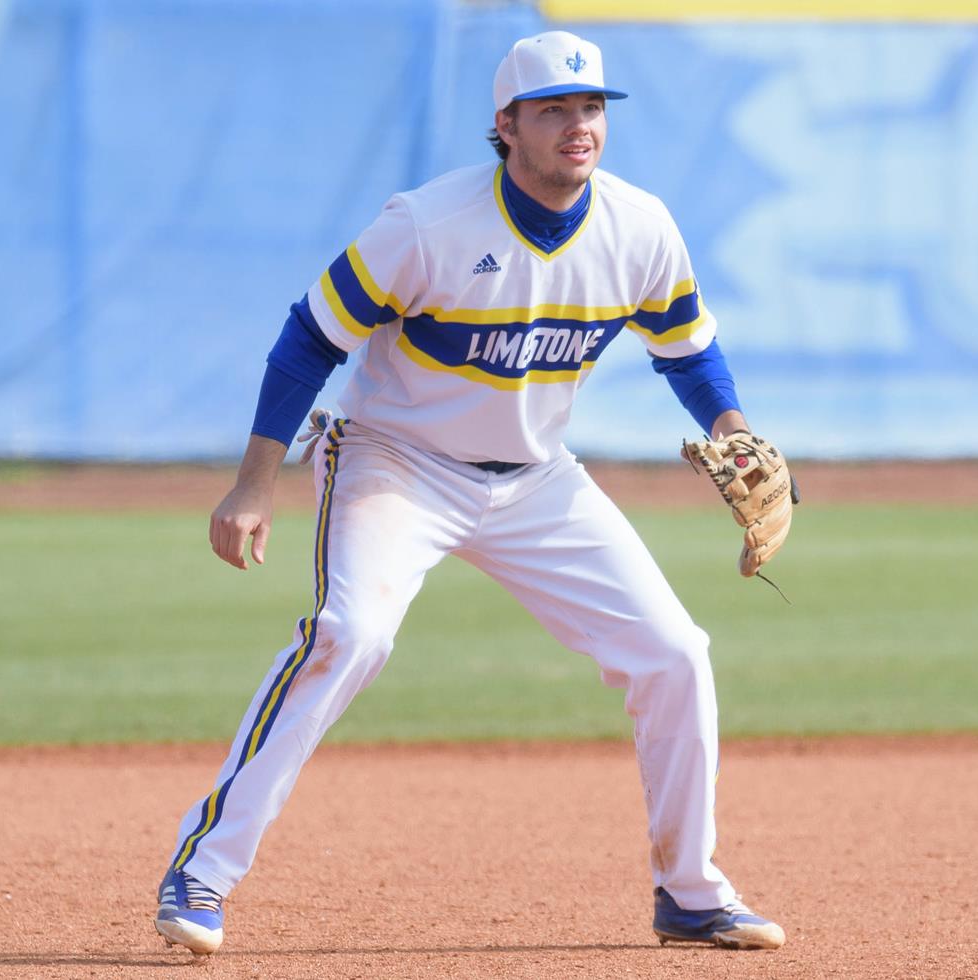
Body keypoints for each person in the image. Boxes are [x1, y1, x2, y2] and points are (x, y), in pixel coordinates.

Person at [154, 30, 788, 956]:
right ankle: (201, 872)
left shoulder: (639, 227)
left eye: (593, 108)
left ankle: (689, 892)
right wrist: (254, 482)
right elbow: (310, 340)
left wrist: (733, 429)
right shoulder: (428, 225)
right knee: (349, 636)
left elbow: (687, 347)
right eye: (555, 110)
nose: (580, 126)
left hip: (538, 480)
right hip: (396, 464)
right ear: (507, 125)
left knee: (675, 654)